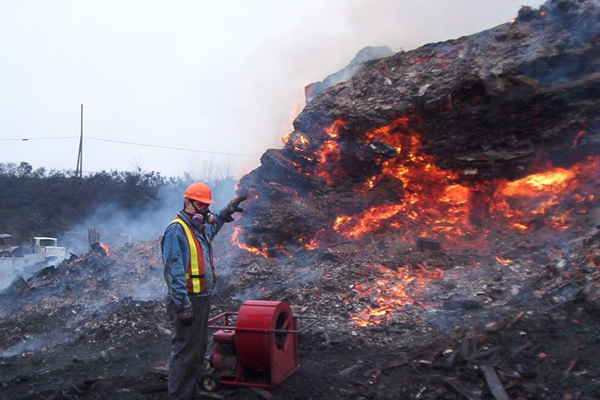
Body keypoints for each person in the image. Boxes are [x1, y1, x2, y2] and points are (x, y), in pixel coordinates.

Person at [161, 181, 246, 400]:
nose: (205, 210)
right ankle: (179, 395)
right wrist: (182, 305)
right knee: (184, 352)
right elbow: (174, 271)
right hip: (188, 301)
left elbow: (215, 224)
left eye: (207, 206)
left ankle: (192, 393)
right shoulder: (176, 231)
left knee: (198, 350)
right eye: (201, 205)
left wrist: (227, 211)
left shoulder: (199, 228)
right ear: (187, 203)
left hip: (202, 299)